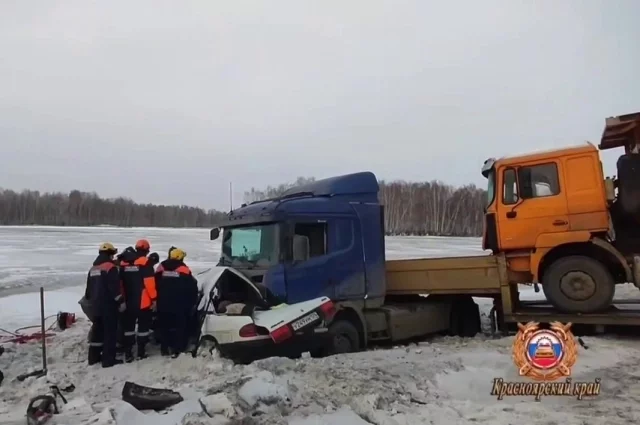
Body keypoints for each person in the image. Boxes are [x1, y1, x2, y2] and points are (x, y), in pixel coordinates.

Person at [85, 242, 126, 368]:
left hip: (95, 306)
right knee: (110, 333)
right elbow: (114, 287)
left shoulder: (93, 269)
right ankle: (108, 360)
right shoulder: (110, 267)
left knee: (97, 332)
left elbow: (88, 291)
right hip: (108, 306)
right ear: (110, 254)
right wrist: (121, 302)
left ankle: (93, 358)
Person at [155, 247, 198, 358]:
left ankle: (164, 348)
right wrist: (192, 301)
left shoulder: (161, 267)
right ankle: (178, 348)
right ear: (180, 258)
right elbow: (191, 287)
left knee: (164, 325)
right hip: (179, 303)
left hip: (162, 302)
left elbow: (154, 282)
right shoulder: (184, 269)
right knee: (180, 326)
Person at [119, 239, 157, 362]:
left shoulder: (124, 263)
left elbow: (120, 282)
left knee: (128, 328)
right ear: (146, 250)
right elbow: (149, 283)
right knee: (143, 329)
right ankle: (141, 352)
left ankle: (128, 353)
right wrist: (154, 299)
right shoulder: (145, 263)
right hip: (143, 302)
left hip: (128, 301)